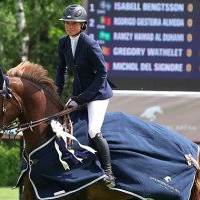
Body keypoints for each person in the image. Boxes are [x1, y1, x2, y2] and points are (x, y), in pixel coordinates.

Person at [55, 4, 115, 187]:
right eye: (67, 22)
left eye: (74, 23)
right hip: (78, 93)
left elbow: (102, 74)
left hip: (98, 94)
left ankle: (108, 173)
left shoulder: (90, 43)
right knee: (63, 125)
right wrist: (56, 92)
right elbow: (61, 69)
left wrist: (85, 97)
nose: (69, 26)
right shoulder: (63, 42)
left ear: (82, 25)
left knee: (92, 131)